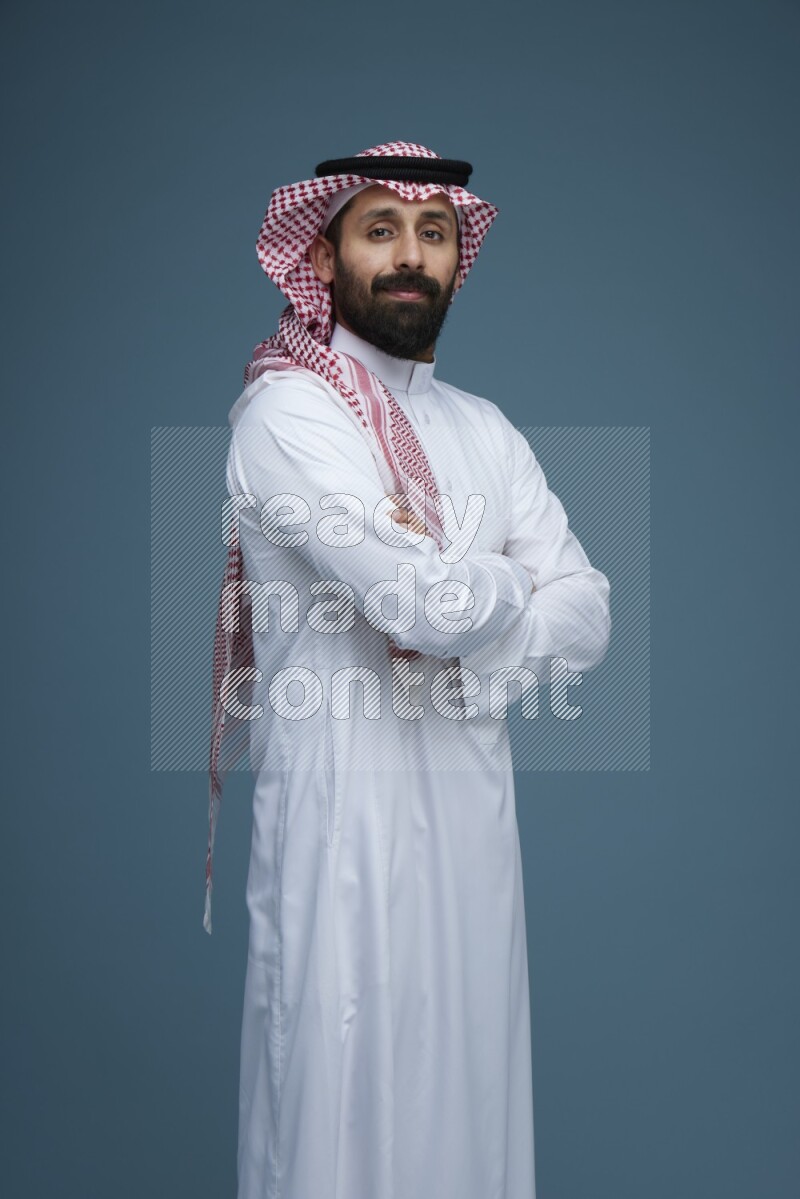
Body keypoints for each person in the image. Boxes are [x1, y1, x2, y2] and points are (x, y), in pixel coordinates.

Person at [207, 141, 611, 1199]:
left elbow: (588, 610)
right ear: (327, 249)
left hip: (472, 836)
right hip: (339, 834)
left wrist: (454, 596)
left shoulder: (482, 429)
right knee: (335, 1120)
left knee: (471, 1118)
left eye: (432, 234)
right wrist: (493, 582)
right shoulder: (285, 416)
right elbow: (415, 605)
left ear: (456, 259)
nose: (407, 255)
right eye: (379, 228)